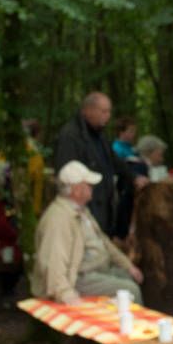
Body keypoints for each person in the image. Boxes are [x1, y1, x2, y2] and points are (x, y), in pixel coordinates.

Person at [31, 160, 143, 304]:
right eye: (89, 185)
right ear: (76, 190)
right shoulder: (59, 219)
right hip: (79, 277)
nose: (93, 188)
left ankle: (121, 323)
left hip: (97, 271)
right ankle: (132, 325)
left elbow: (104, 241)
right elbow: (54, 263)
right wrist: (66, 295)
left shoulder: (81, 210)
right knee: (130, 289)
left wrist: (128, 265)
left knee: (128, 277)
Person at [52, 91, 129, 238]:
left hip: (102, 208)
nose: (108, 116)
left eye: (109, 111)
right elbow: (66, 174)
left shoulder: (99, 135)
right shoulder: (70, 136)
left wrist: (134, 178)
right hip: (85, 208)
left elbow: (115, 161)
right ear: (88, 110)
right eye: (104, 111)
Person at [23, 119, 47, 218]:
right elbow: (35, 179)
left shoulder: (12, 149)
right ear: (37, 134)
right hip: (28, 206)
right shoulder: (34, 152)